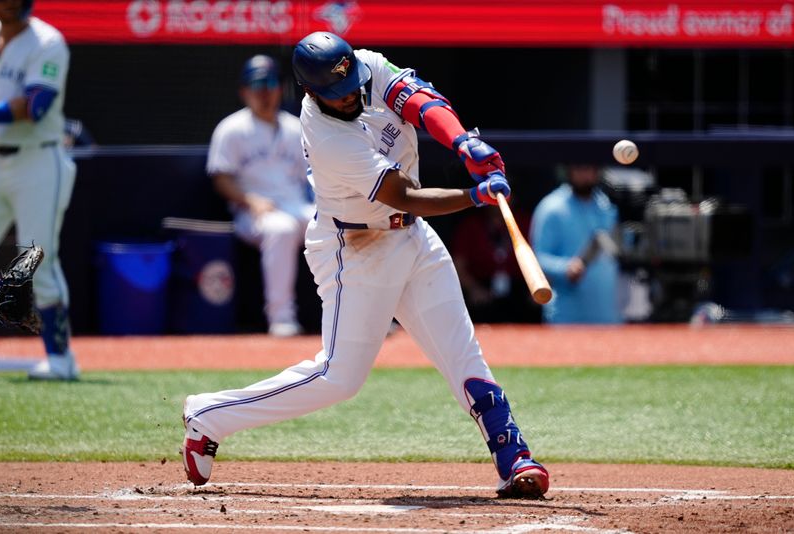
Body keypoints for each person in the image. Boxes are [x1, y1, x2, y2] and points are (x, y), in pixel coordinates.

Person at [181, 31, 550, 499]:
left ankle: (512, 455)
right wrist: (476, 195)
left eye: (352, 84)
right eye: (338, 93)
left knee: (463, 353)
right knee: (339, 377)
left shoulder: (366, 65)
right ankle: (209, 415)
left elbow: (421, 102)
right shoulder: (324, 134)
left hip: (412, 238)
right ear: (310, 93)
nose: (352, 95)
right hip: (354, 247)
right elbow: (405, 195)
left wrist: (461, 144)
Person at [0, 0, 78, 380]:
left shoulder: (48, 41)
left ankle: (60, 360)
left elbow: (37, 105)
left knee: (35, 258)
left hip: (37, 160)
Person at [206, 54, 313, 337]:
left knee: (340, 224)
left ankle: (357, 316)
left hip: (296, 205)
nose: (264, 92)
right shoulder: (231, 129)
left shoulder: (297, 127)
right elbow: (221, 178)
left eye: (270, 83)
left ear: (281, 88)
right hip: (252, 212)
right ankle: (281, 317)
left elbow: (314, 178)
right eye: (257, 85)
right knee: (280, 228)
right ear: (244, 91)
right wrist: (250, 200)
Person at [530, 164, 622, 324]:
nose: (585, 174)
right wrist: (565, 267)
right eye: (579, 168)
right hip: (567, 317)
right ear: (569, 171)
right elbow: (536, 259)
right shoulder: (551, 207)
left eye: (589, 168)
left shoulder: (607, 206)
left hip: (607, 316)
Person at [451, 204, 539, 323]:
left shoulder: (526, 222)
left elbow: (540, 258)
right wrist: (473, 289)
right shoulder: (471, 225)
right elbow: (458, 265)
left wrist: (536, 289)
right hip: (482, 292)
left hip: (519, 291)